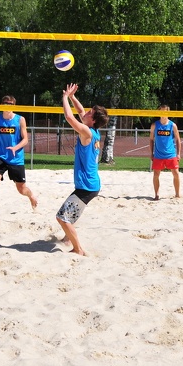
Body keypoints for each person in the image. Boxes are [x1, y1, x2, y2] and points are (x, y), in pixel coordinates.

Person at [56, 83, 109, 256]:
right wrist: (72, 97)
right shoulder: (93, 131)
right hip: (90, 185)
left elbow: (71, 118)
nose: (85, 112)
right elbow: (79, 112)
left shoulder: (86, 132)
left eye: (89, 113)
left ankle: (78, 250)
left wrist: (64, 98)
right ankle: (66, 239)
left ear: (92, 120)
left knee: (62, 218)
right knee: (69, 215)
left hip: (86, 187)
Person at [0, 95, 38, 217]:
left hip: (16, 158)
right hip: (1, 156)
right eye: (5, 103)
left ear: (13, 105)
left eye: (10, 104)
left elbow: (25, 139)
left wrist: (16, 147)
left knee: (21, 189)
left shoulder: (20, 119)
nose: (7, 105)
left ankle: (31, 196)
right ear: (1, 104)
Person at [150, 105, 182, 200]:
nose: (163, 114)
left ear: (168, 112)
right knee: (156, 175)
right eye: (161, 111)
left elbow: (178, 140)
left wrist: (178, 153)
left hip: (171, 154)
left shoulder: (172, 125)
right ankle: (156, 194)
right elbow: (151, 139)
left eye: (165, 112)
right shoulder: (154, 125)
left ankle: (177, 194)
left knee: (176, 173)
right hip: (158, 155)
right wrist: (151, 153)